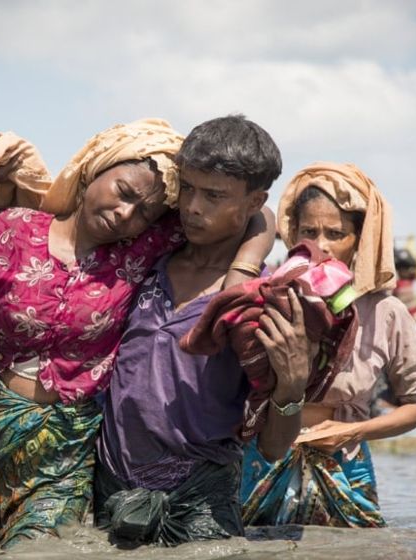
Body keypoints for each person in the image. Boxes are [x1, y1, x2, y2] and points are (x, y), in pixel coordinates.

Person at [0, 119, 273, 549]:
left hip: (72, 440)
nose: (127, 213)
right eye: (123, 193)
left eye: (144, 210)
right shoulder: (10, 229)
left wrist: (245, 268)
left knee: (36, 549)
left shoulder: (139, 250)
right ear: (93, 168)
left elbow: (255, 213)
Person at [94, 115, 303, 546]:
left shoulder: (262, 301)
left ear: (252, 201)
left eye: (213, 196)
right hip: (113, 483)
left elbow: (273, 449)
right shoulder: (145, 257)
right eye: (187, 188)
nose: (192, 207)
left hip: (200, 497)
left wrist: (292, 386)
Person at [240, 162, 416, 528]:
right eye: (309, 231)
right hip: (261, 460)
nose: (322, 246)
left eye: (337, 233)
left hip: (346, 466)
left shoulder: (386, 313)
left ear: (359, 241)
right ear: (292, 233)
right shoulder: (265, 298)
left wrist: (352, 431)